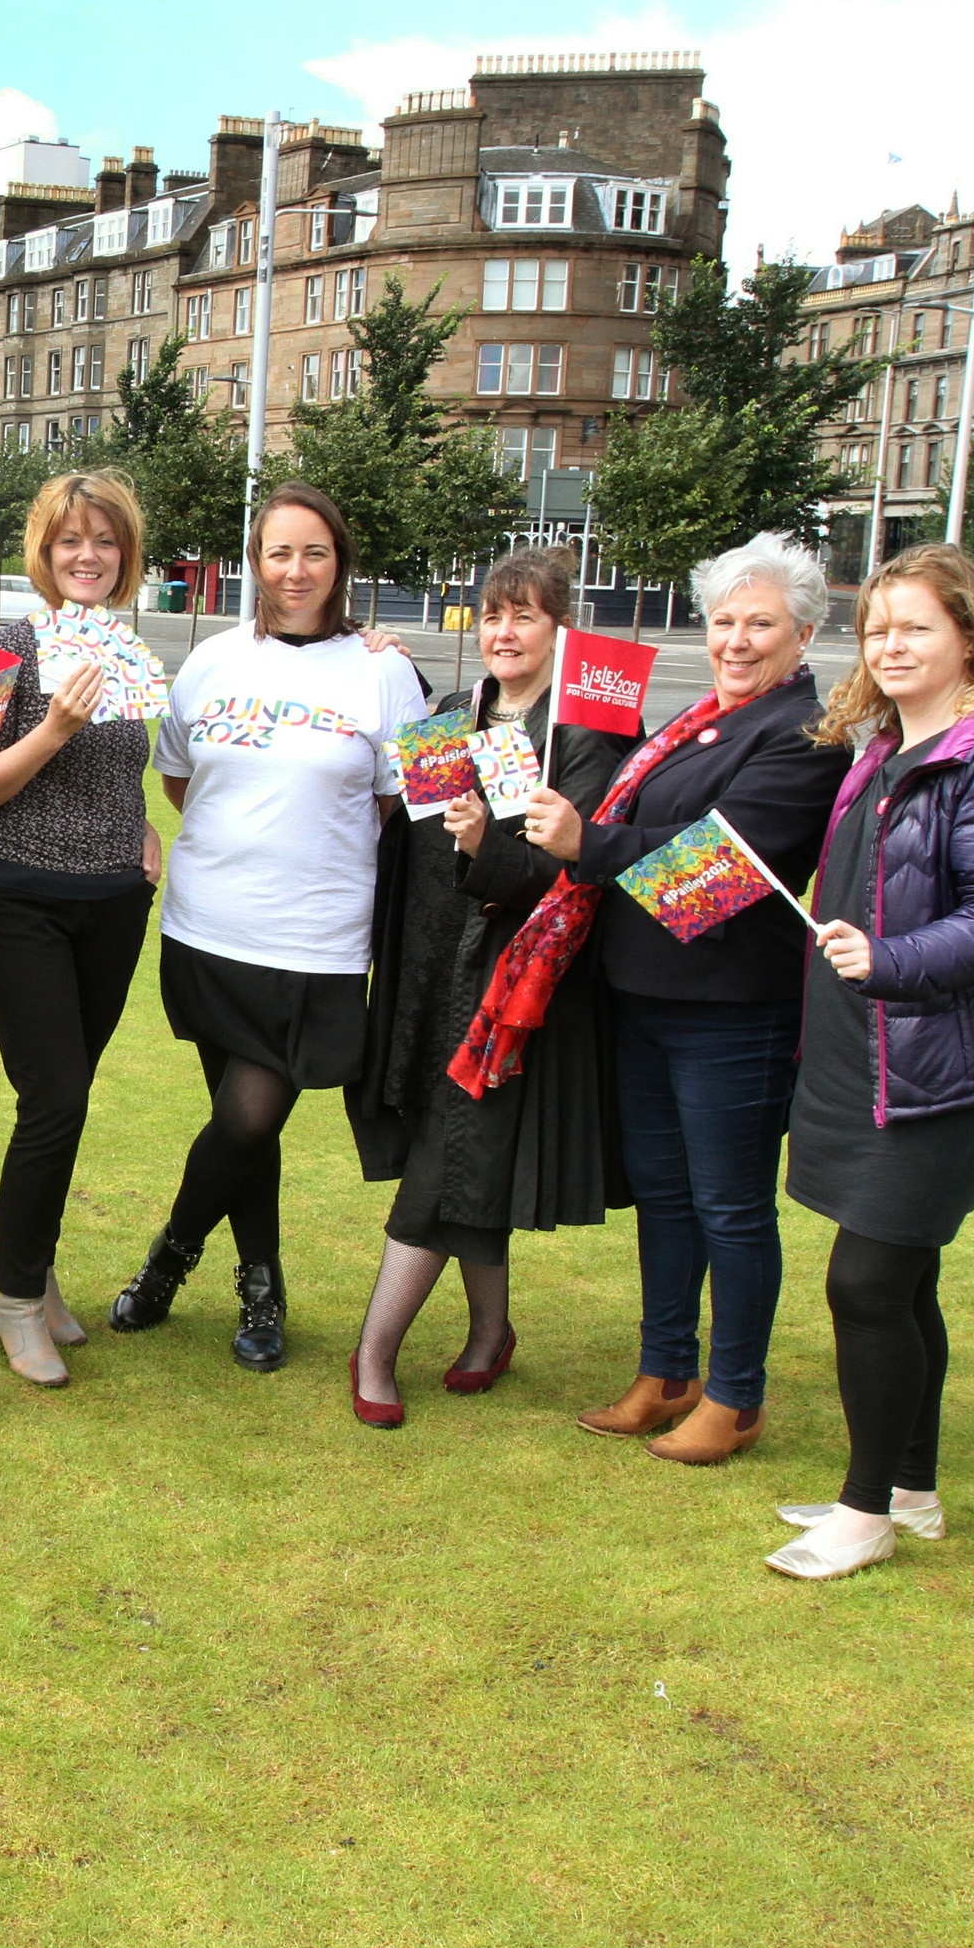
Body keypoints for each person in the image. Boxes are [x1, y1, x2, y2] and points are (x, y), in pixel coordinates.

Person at [768, 545, 974, 1578]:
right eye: (877, 629)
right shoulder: (883, 748)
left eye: (915, 626)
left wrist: (889, 960)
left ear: (971, 635)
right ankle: (909, 1489)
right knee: (904, 1279)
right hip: (881, 1050)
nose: (892, 645)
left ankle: (865, 1512)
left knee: (867, 1281)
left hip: (967, 1059)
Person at [519, 534, 849, 1465]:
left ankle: (736, 1395)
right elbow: (658, 830)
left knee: (730, 1207)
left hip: (733, 1012)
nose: (737, 641)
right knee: (665, 1197)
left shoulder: (805, 737)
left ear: (805, 633)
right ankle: (667, 1372)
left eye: (761, 624)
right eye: (723, 621)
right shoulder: (699, 720)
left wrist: (590, 842)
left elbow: (710, 873)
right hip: (646, 995)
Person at [113, 481, 429, 1371]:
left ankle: (171, 1257)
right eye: (279, 553)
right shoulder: (215, 661)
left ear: (340, 563)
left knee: (249, 1120)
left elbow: (404, 803)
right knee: (241, 1121)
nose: (296, 570)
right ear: (255, 563)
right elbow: (180, 782)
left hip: (317, 942)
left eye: (314, 552)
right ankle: (263, 1287)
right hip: (209, 929)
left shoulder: (381, 670)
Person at [341, 547, 625, 1426]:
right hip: (434, 973)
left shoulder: (587, 732)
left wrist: (482, 849)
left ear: (558, 629)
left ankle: (375, 1353)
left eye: (526, 616)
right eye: (494, 615)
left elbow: (575, 874)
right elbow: (415, 831)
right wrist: (378, 652)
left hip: (517, 989)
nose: (505, 632)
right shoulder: (455, 712)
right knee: (460, 1143)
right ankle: (491, 1331)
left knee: (446, 1159)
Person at [0, 468, 162, 1386]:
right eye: (71, 541)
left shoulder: (128, 645)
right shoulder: (5, 648)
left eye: (105, 541)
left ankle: (37, 1281)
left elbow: (128, 773)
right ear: (43, 552)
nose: (88, 556)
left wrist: (143, 825)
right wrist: (52, 729)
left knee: (71, 1093)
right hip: (20, 895)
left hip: (114, 899)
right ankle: (13, 1302)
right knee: (54, 1099)